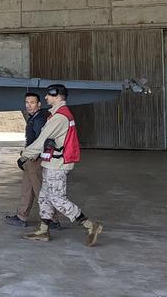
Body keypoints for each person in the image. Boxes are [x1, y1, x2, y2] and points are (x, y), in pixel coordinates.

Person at [18, 84, 104, 247]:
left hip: (57, 165)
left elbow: (42, 140)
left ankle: (90, 225)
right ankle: (43, 230)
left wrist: (25, 155)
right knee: (44, 196)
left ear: (56, 96)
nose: (45, 98)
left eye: (48, 96)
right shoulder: (58, 114)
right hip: (52, 162)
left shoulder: (59, 117)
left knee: (57, 199)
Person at [5, 93, 60, 229]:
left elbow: (41, 141)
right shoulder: (34, 117)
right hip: (30, 159)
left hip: (36, 160)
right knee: (27, 189)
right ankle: (21, 216)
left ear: (39, 104)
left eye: (32, 102)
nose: (29, 105)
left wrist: (27, 157)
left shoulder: (40, 119)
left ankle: (52, 220)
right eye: (27, 102)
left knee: (41, 191)